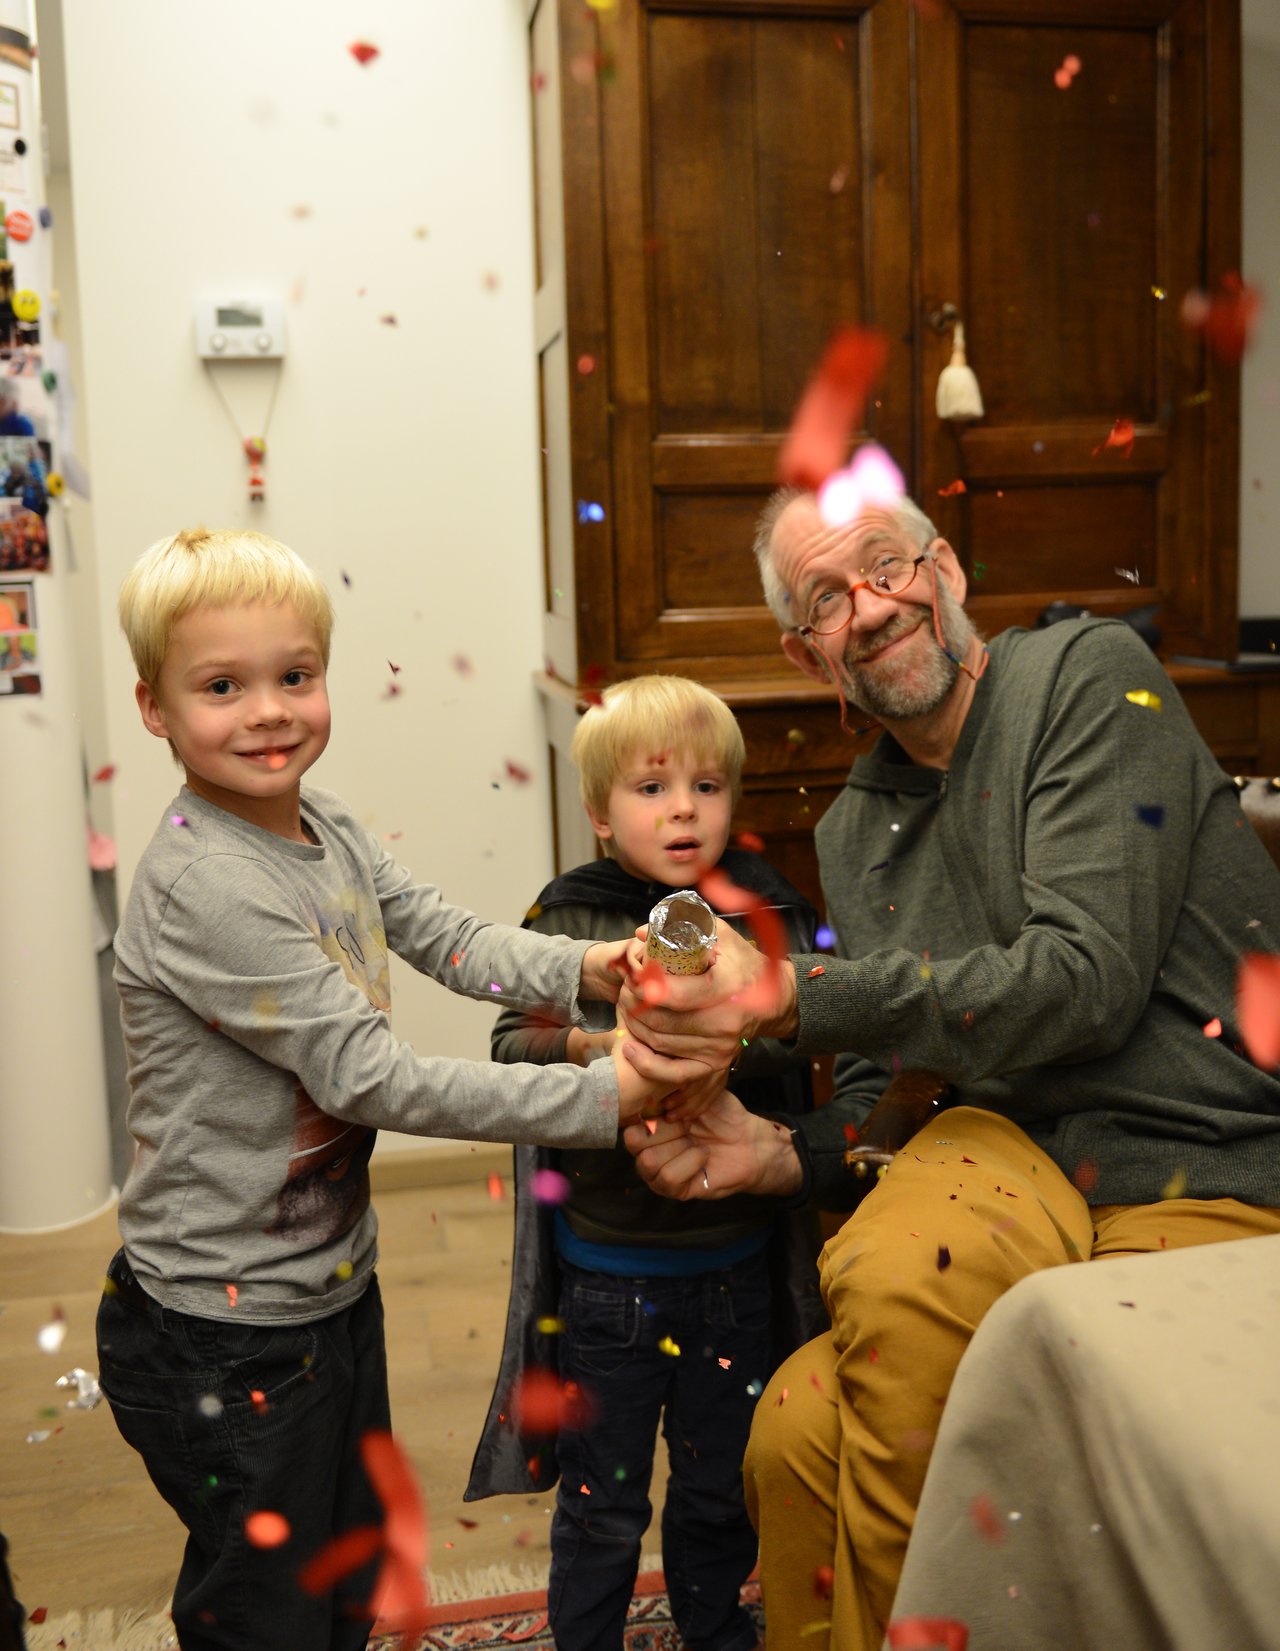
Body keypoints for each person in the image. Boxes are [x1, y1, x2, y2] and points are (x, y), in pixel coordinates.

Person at [620, 486, 1280, 1650]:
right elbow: (886, 1084)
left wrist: (782, 994)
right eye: (827, 598)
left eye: (885, 565)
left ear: (948, 569)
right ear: (802, 649)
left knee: (827, 1407)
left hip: (1196, 1156)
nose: (869, 608)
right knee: (790, 1431)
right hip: (1016, 1156)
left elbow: (1082, 982)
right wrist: (784, 1154)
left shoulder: (1083, 678)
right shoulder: (854, 824)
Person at [96, 528, 700, 1651]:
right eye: (222, 687)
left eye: (294, 676)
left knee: (346, 1567)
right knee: (262, 1607)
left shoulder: (319, 824)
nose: (269, 710)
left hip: (323, 1290)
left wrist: (583, 966)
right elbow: (373, 1081)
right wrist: (606, 1100)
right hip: (220, 1329)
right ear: (154, 708)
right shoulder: (209, 885)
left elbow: (438, 932)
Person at [467, 675, 825, 1651]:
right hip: (607, 1279)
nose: (681, 810)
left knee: (720, 1490)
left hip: (734, 1268)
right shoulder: (569, 916)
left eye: (706, 788)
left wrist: (734, 1031)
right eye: (651, 787)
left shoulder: (769, 912)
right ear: (596, 810)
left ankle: (716, 1633)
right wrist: (596, 1049)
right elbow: (509, 1046)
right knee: (601, 1500)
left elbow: (815, 1046)